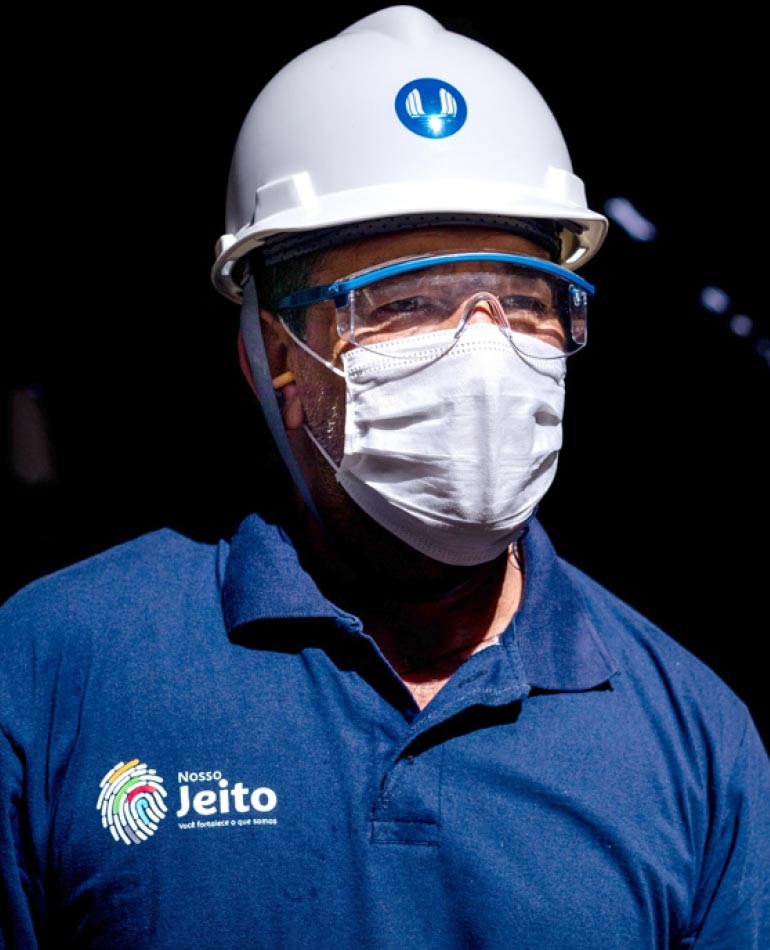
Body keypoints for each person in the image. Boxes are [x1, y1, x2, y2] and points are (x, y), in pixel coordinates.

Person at [2, 6, 768, 948]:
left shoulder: (692, 735)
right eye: (403, 303)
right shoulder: (53, 672)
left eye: (525, 303)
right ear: (272, 357)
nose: (480, 352)